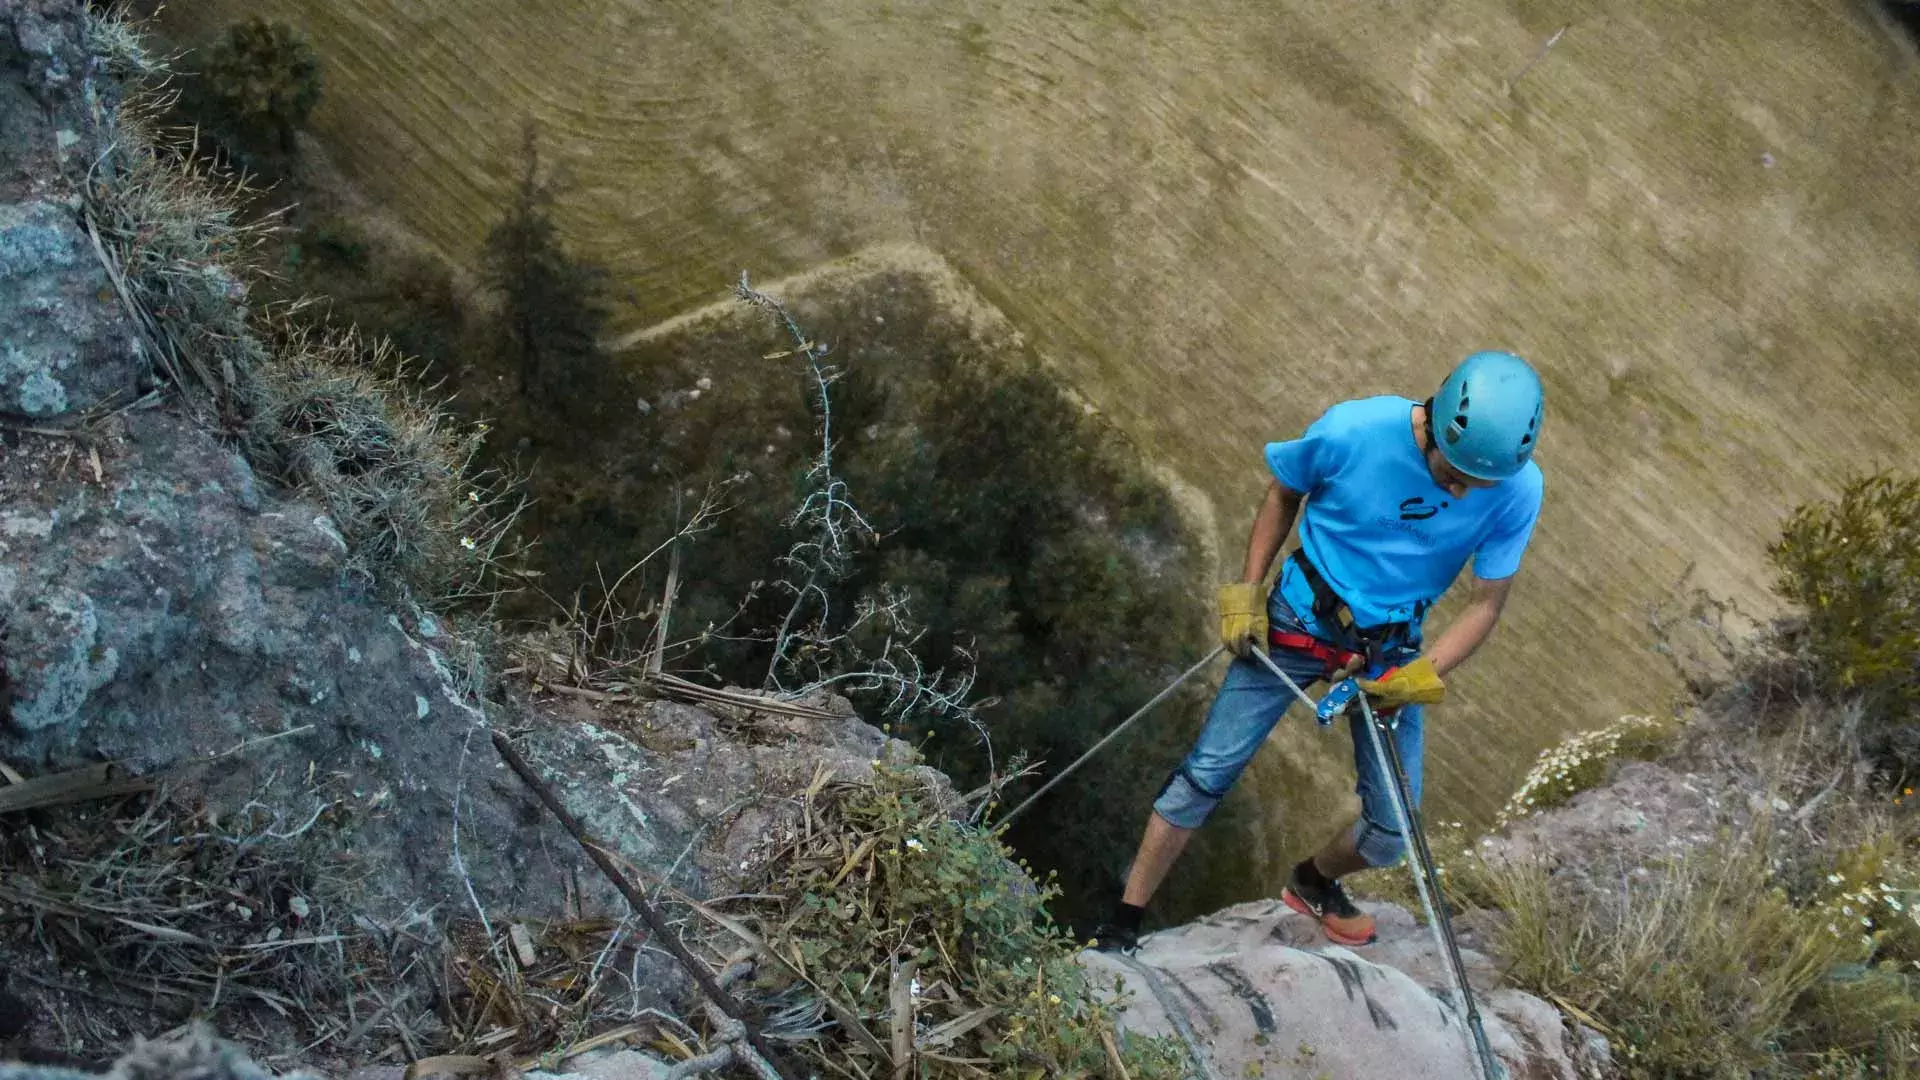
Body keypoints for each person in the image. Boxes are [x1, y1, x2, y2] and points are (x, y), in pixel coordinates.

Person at [1093, 350, 1547, 952]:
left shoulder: (1517, 490)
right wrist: (1247, 592)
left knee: (1391, 831)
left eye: (1477, 485)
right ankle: (1122, 924)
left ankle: (1313, 882)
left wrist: (1421, 673)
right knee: (1205, 775)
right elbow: (1284, 492)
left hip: (1389, 653)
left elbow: (1485, 602)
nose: (1462, 494)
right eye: (1452, 475)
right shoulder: (1354, 431)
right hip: (1296, 620)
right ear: (1435, 423)